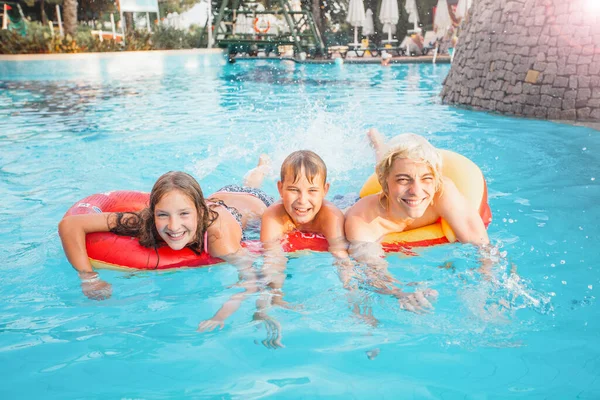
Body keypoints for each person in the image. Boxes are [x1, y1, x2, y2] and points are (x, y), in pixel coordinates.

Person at [58, 155, 273, 301]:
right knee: (244, 185)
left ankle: (262, 167)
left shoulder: (219, 240)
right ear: (153, 213)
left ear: (199, 213)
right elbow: (70, 224)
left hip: (255, 206)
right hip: (219, 195)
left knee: (252, 187)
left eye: (184, 214)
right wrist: (88, 278)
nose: (173, 226)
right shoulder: (143, 220)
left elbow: (253, 272)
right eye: (163, 215)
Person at [344, 129, 490, 312]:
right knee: (386, 164)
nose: (417, 190)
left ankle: (379, 144)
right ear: (384, 182)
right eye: (404, 180)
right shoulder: (363, 219)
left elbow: (484, 248)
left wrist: (486, 293)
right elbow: (372, 272)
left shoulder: (442, 193)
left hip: (394, 194)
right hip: (349, 200)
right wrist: (401, 292)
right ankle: (378, 143)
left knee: (394, 166)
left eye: (426, 178)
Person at [254, 150, 349, 347]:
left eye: (312, 191)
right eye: (294, 190)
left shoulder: (331, 216)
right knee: (250, 188)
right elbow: (272, 258)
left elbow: (341, 255)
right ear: (280, 189)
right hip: (254, 199)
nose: (302, 200)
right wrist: (272, 300)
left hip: (346, 201)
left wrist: (351, 291)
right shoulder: (273, 215)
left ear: (325, 190)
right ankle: (261, 168)